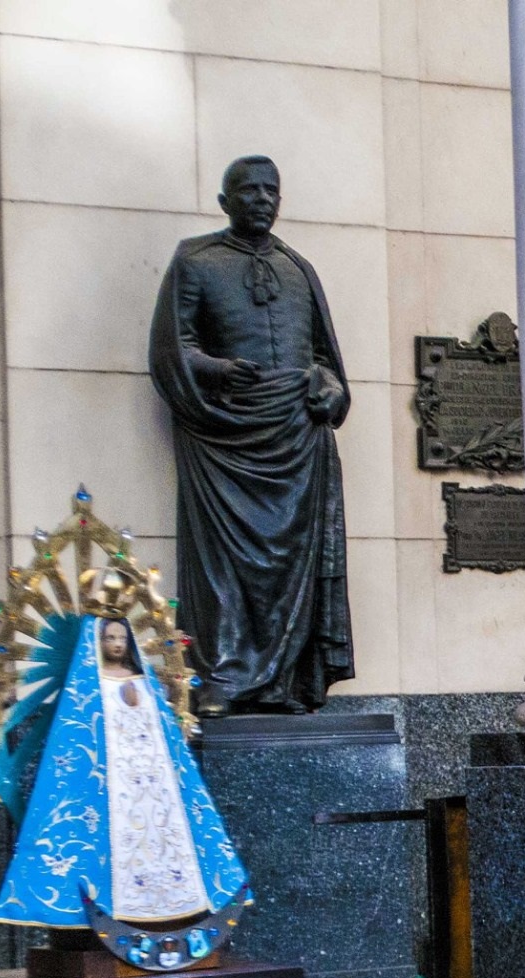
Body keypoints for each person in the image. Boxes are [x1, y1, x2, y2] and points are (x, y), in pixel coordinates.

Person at [148, 155, 353, 716]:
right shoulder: (196, 260)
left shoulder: (298, 268)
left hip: (295, 434)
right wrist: (212, 370)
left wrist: (330, 388)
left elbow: (322, 356)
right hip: (225, 438)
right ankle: (223, 677)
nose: (262, 199)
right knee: (224, 563)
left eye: (271, 191)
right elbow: (172, 348)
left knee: (291, 561)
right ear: (224, 201)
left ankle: (284, 680)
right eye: (249, 190)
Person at [0, 569, 250, 930]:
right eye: (108, 637)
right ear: (95, 642)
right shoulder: (86, 689)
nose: (115, 643)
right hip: (109, 784)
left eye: (120, 636)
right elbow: (77, 741)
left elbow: (163, 730)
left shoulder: (143, 681)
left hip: (152, 781)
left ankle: (174, 902)